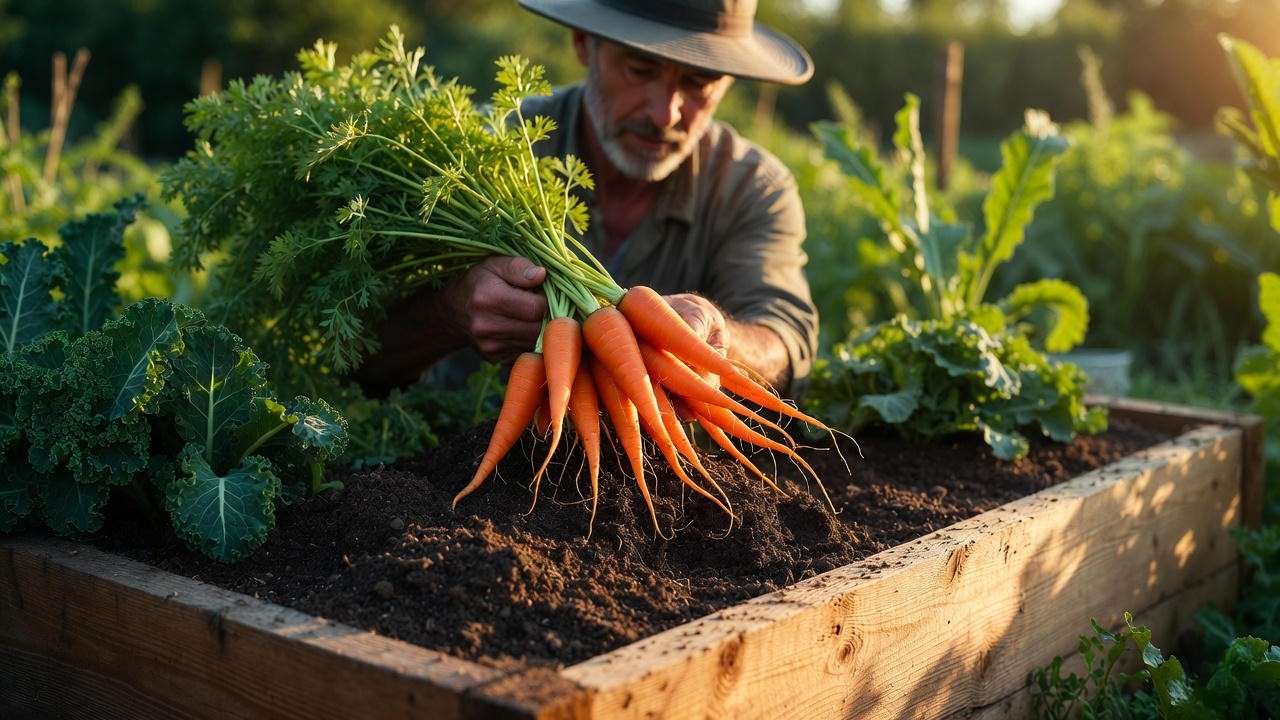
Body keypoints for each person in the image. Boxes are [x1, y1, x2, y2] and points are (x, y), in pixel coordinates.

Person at [356, 0, 819, 396]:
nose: (665, 113)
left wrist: (720, 340)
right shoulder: (472, 156)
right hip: (444, 473)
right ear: (583, 43)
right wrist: (450, 312)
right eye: (640, 69)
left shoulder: (751, 187)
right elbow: (354, 352)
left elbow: (785, 340)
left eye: (700, 82)